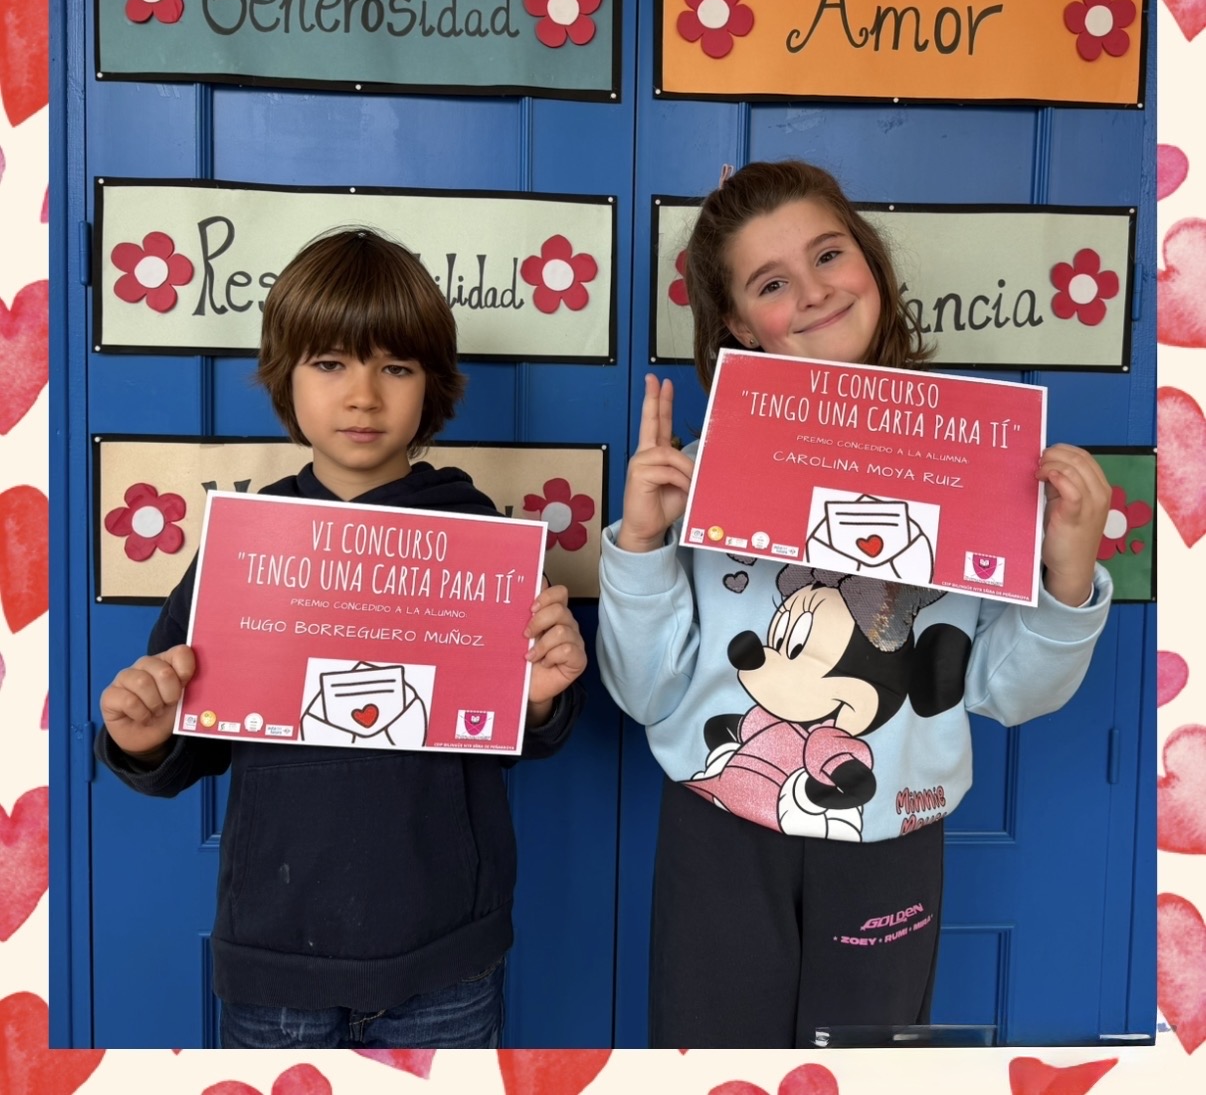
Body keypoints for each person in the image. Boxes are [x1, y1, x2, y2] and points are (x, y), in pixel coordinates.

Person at [596, 159, 1112, 1048]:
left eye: (829, 254)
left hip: (894, 834)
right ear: (736, 324)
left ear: (870, 258)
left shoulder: (971, 469)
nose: (813, 292)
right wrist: (640, 546)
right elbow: (645, 692)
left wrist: (1066, 576)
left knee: (871, 1067)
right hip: (721, 826)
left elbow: (1010, 692)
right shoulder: (698, 475)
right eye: (770, 283)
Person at [97, 227, 587, 1049]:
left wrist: (538, 699)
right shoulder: (245, 544)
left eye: (395, 367)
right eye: (330, 363)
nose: (363, 396)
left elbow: (524, 735)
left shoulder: (482, 539)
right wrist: (144, 737)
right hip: (274, 959)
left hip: (445, 956)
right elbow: (188, 739)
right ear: (285, 377)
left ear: (431, 385)